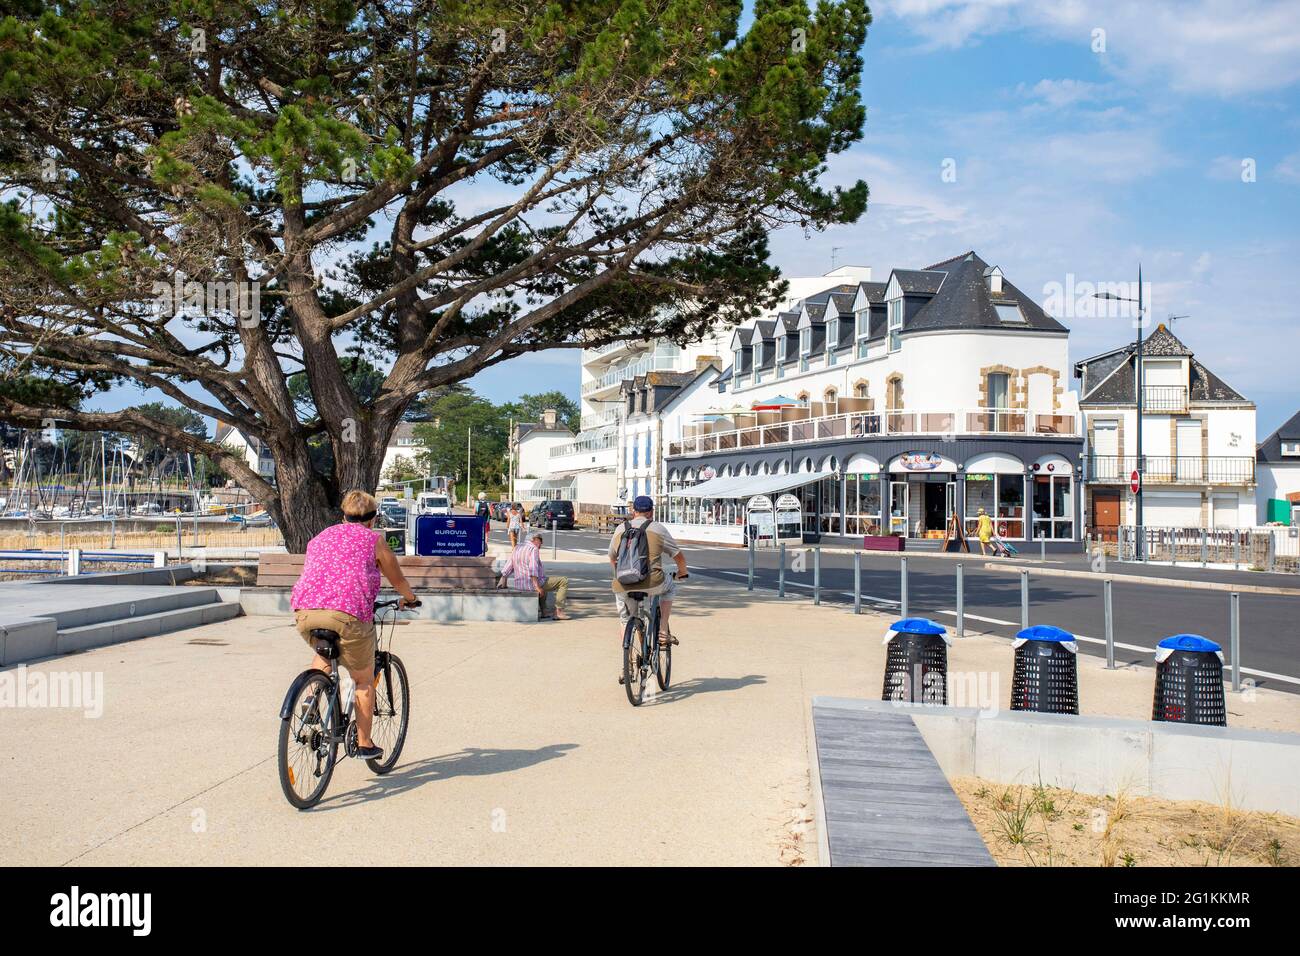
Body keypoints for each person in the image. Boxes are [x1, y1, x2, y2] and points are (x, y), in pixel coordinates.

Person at [290, 490, 420, 761]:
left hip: (306, 612)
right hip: (348, 614)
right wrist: (411, 599)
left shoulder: (321, 537)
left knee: (325, 651)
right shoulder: (375, 541)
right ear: (373, 519)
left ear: (343, 515)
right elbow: (397, 580)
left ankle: (311, 696)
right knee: (362, 680)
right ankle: (364, 742)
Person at [609, 495, 688, 668]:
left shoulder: (620, 528)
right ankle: (662, 630)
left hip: (623, 584)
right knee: (670, 588)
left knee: (625, 619)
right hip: (653, 582)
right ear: (651, 512)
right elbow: (678, 555)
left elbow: (612, 557)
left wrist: (621, 575)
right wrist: (682, 572)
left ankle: (627, 665)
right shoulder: (658, 528)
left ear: (633, 511)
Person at [499, 529, 569, 619]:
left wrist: (503, 583)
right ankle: (559, 611)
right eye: (540, 540)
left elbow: (507, 567)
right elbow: (533, 570)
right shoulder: (533, 549)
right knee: (563, 581)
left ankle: (544, 612)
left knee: (544, 582)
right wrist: (537, 587)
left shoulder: (517, 548)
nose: (541, 543)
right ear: (534, 539)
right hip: (530, 585)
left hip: (519, 585)